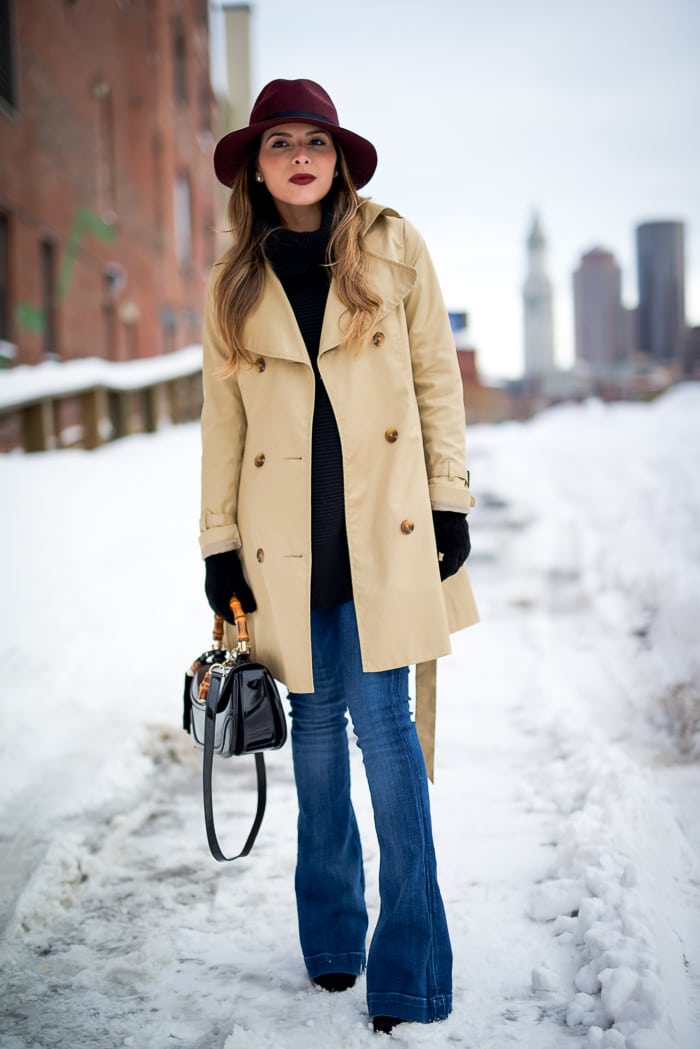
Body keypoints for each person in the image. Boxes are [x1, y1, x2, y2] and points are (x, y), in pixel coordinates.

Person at [199, 78, 478, 1036]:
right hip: (283, 554)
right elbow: (221, 426)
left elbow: (437, 376)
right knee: (315, 753)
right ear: (257, 166)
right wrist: (218, 550)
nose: (302, 157)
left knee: (387, 739)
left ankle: (408, 972)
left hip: (382, 540)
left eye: (316, 139)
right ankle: (329, 945)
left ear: (340, 157)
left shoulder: (394, 247)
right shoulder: (234, 283)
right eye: (281, 142)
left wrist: (449, 499)